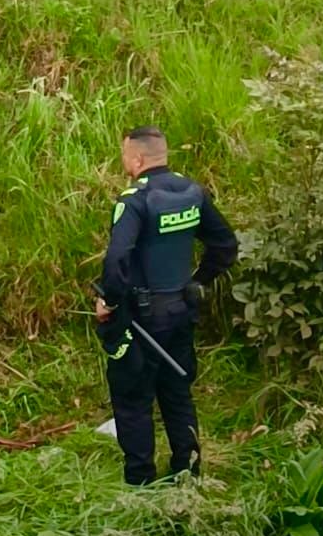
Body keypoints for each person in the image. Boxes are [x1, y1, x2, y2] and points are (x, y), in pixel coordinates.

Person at [95, 125, 238, 487]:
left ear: (137, 158)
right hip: (180, 312)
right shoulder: (192, 192)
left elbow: (116, 260)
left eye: (125, 155)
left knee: (132, 398)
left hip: (140, 318)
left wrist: (109, 302)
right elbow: (225, 246)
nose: (124, 161)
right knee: (176, 392)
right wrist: (197, 282)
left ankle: (140, 481)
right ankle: (187, 472)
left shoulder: (135, 200)